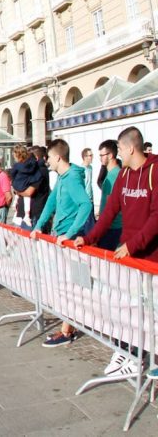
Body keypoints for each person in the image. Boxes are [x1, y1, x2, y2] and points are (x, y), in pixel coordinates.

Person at [74, 127, 158, 378]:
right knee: (132, 306)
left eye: (120, 149)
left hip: (150, 256)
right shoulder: (123, 175)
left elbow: (156, 217)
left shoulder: (154, 171)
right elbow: (109, 212)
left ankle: (148, 356)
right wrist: (88, 238)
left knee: (153, 308)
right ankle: (131, 352)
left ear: (130, 148)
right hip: (130, 256)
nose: (118, 153)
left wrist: (134, 244)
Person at [30, 139, 95, 348]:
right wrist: (39, 225)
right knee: (70, 285)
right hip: (63, 238)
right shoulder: (62, 177)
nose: (46, 161)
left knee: (75, 285)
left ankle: (69, 329)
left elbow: (85, 205)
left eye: (48, 157)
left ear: (58, 157)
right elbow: (51, 202)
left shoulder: (72, 178)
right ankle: (71, 325)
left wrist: (70, 232)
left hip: (72, 242)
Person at [95, 139, 123, 250]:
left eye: (102, 155)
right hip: (110, 226)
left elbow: (112, 204)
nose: (100, 158)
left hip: (113, 228)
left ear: (110, 155)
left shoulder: (115, 175)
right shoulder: (111, 174)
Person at [10, 144, 44, 229]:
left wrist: (17, 190)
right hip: (22, 210)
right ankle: (25, 213)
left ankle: (26, 214)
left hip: (33, 211)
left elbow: (29, 193)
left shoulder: (38, 169)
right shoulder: (31, 166)